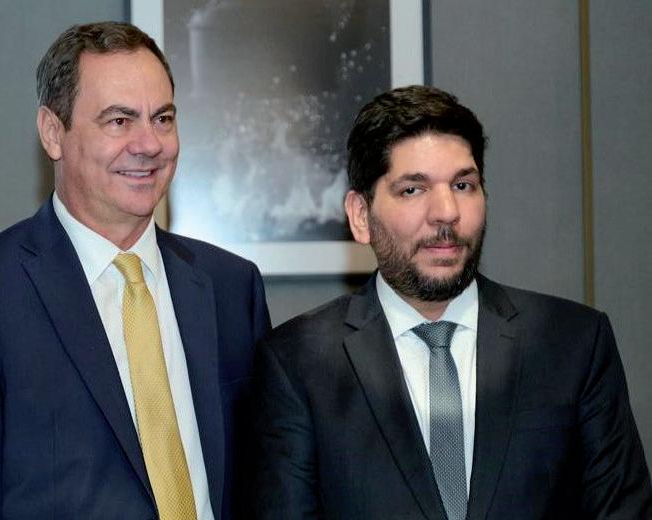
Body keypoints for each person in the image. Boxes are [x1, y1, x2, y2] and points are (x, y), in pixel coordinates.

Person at [0, 21, 270, 519]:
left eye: (163, 118)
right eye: (119, 121)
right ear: (53, 133)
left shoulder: (231, 287)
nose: (149, 144)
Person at [250, 85, 652, 519]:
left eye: (463, 185)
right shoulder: (297, 362)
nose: (446, 211)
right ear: (361, 216)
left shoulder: (573, 343)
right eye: (412, 189)